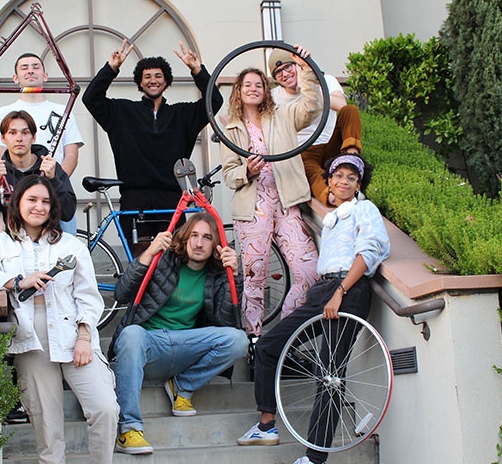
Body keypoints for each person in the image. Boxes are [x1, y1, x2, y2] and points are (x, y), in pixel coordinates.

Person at [236, 153, 390, 464]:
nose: (343, 181)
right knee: (268, 345)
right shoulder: (332, 218)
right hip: (322, 290)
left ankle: (315, 458)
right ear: (329, 180)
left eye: (351, 177)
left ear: (359, 184)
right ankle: (266, 425)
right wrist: (326, 293)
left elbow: (370, 251)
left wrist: (341, 292)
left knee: (329, 372)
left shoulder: (365, 210)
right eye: (338, 175)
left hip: (347, 290)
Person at [0, 174, 119, 464]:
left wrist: (85, 336)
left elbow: (87, 295)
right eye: (32, 200)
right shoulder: (0, 243)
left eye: (46, 201)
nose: (39, 207)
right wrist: (15, 280)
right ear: (18, 203)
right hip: (30, 341)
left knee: (105, 407)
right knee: (47, 427)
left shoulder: (71, 245)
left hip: (74, 336)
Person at [109, 212, 248, 455]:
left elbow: (228, 322)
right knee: (131, 334)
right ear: (184, 238)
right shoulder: (164, 260)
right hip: (149, 344)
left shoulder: (216, 275)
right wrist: (149, 253)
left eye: (206, 237)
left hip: (185, 347)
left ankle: (182, 386)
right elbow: (121, 293)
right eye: (194, 235)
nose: (198, 243)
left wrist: (233, 276)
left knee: (238, 340)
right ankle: (128, 428)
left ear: (216, 244)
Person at [82, 39, 223, 257]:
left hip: (172, 197)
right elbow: (91, 98)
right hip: (134, 196)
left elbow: (214, 101)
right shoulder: (121, 112)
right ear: (139, 82)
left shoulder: (183, 115)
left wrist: (197, 70)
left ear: (166, 81)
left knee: (173, 258)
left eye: (158, 76)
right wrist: (112, 68)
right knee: (140, 259)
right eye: (147, 76)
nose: (153, 81)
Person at [219, 45, 321, 337]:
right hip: (253, 209)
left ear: (267, 90)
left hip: (286, 203)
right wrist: (247, 172)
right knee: (254, 279)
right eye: (247, 85)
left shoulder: (284, 116)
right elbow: (229, 175)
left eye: (259, 84)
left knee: (309, 271)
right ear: (238, 91)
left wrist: (306, 69)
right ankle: (254, 341)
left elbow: (312, 106)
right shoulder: (232, 130)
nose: (253, 89)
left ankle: (280, 338)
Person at [0, 53, 85, 234]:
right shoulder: (3, 113)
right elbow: (1, 154)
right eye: (24, 67)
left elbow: (71, 154)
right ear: (15, 78)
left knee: (66, 248)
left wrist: (55, 180)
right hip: (19, 196)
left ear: (45, 75)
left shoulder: (63, 111)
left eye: (35, 66)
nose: (30, 71)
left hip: (57, 191)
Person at [267, 49, 363, 207]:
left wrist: (308, 87)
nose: (284, 74)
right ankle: (332, 196)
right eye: (278, 72)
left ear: (298, 65)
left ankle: (352, 158)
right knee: (311, 171)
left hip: (331, 144)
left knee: (350, 111)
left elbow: (341, 105)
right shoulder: (273, 97)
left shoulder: (324, 81)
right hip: (304, 150)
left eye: (288, 67)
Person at [0, 110, 75, 224]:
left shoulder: (49, 167)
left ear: (33, 137)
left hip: (47, 238)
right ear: (3, 138)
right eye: (12, 133)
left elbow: (67, 213)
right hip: (12, 240)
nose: (19, 138)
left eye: (25, 133)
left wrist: (53, 180)